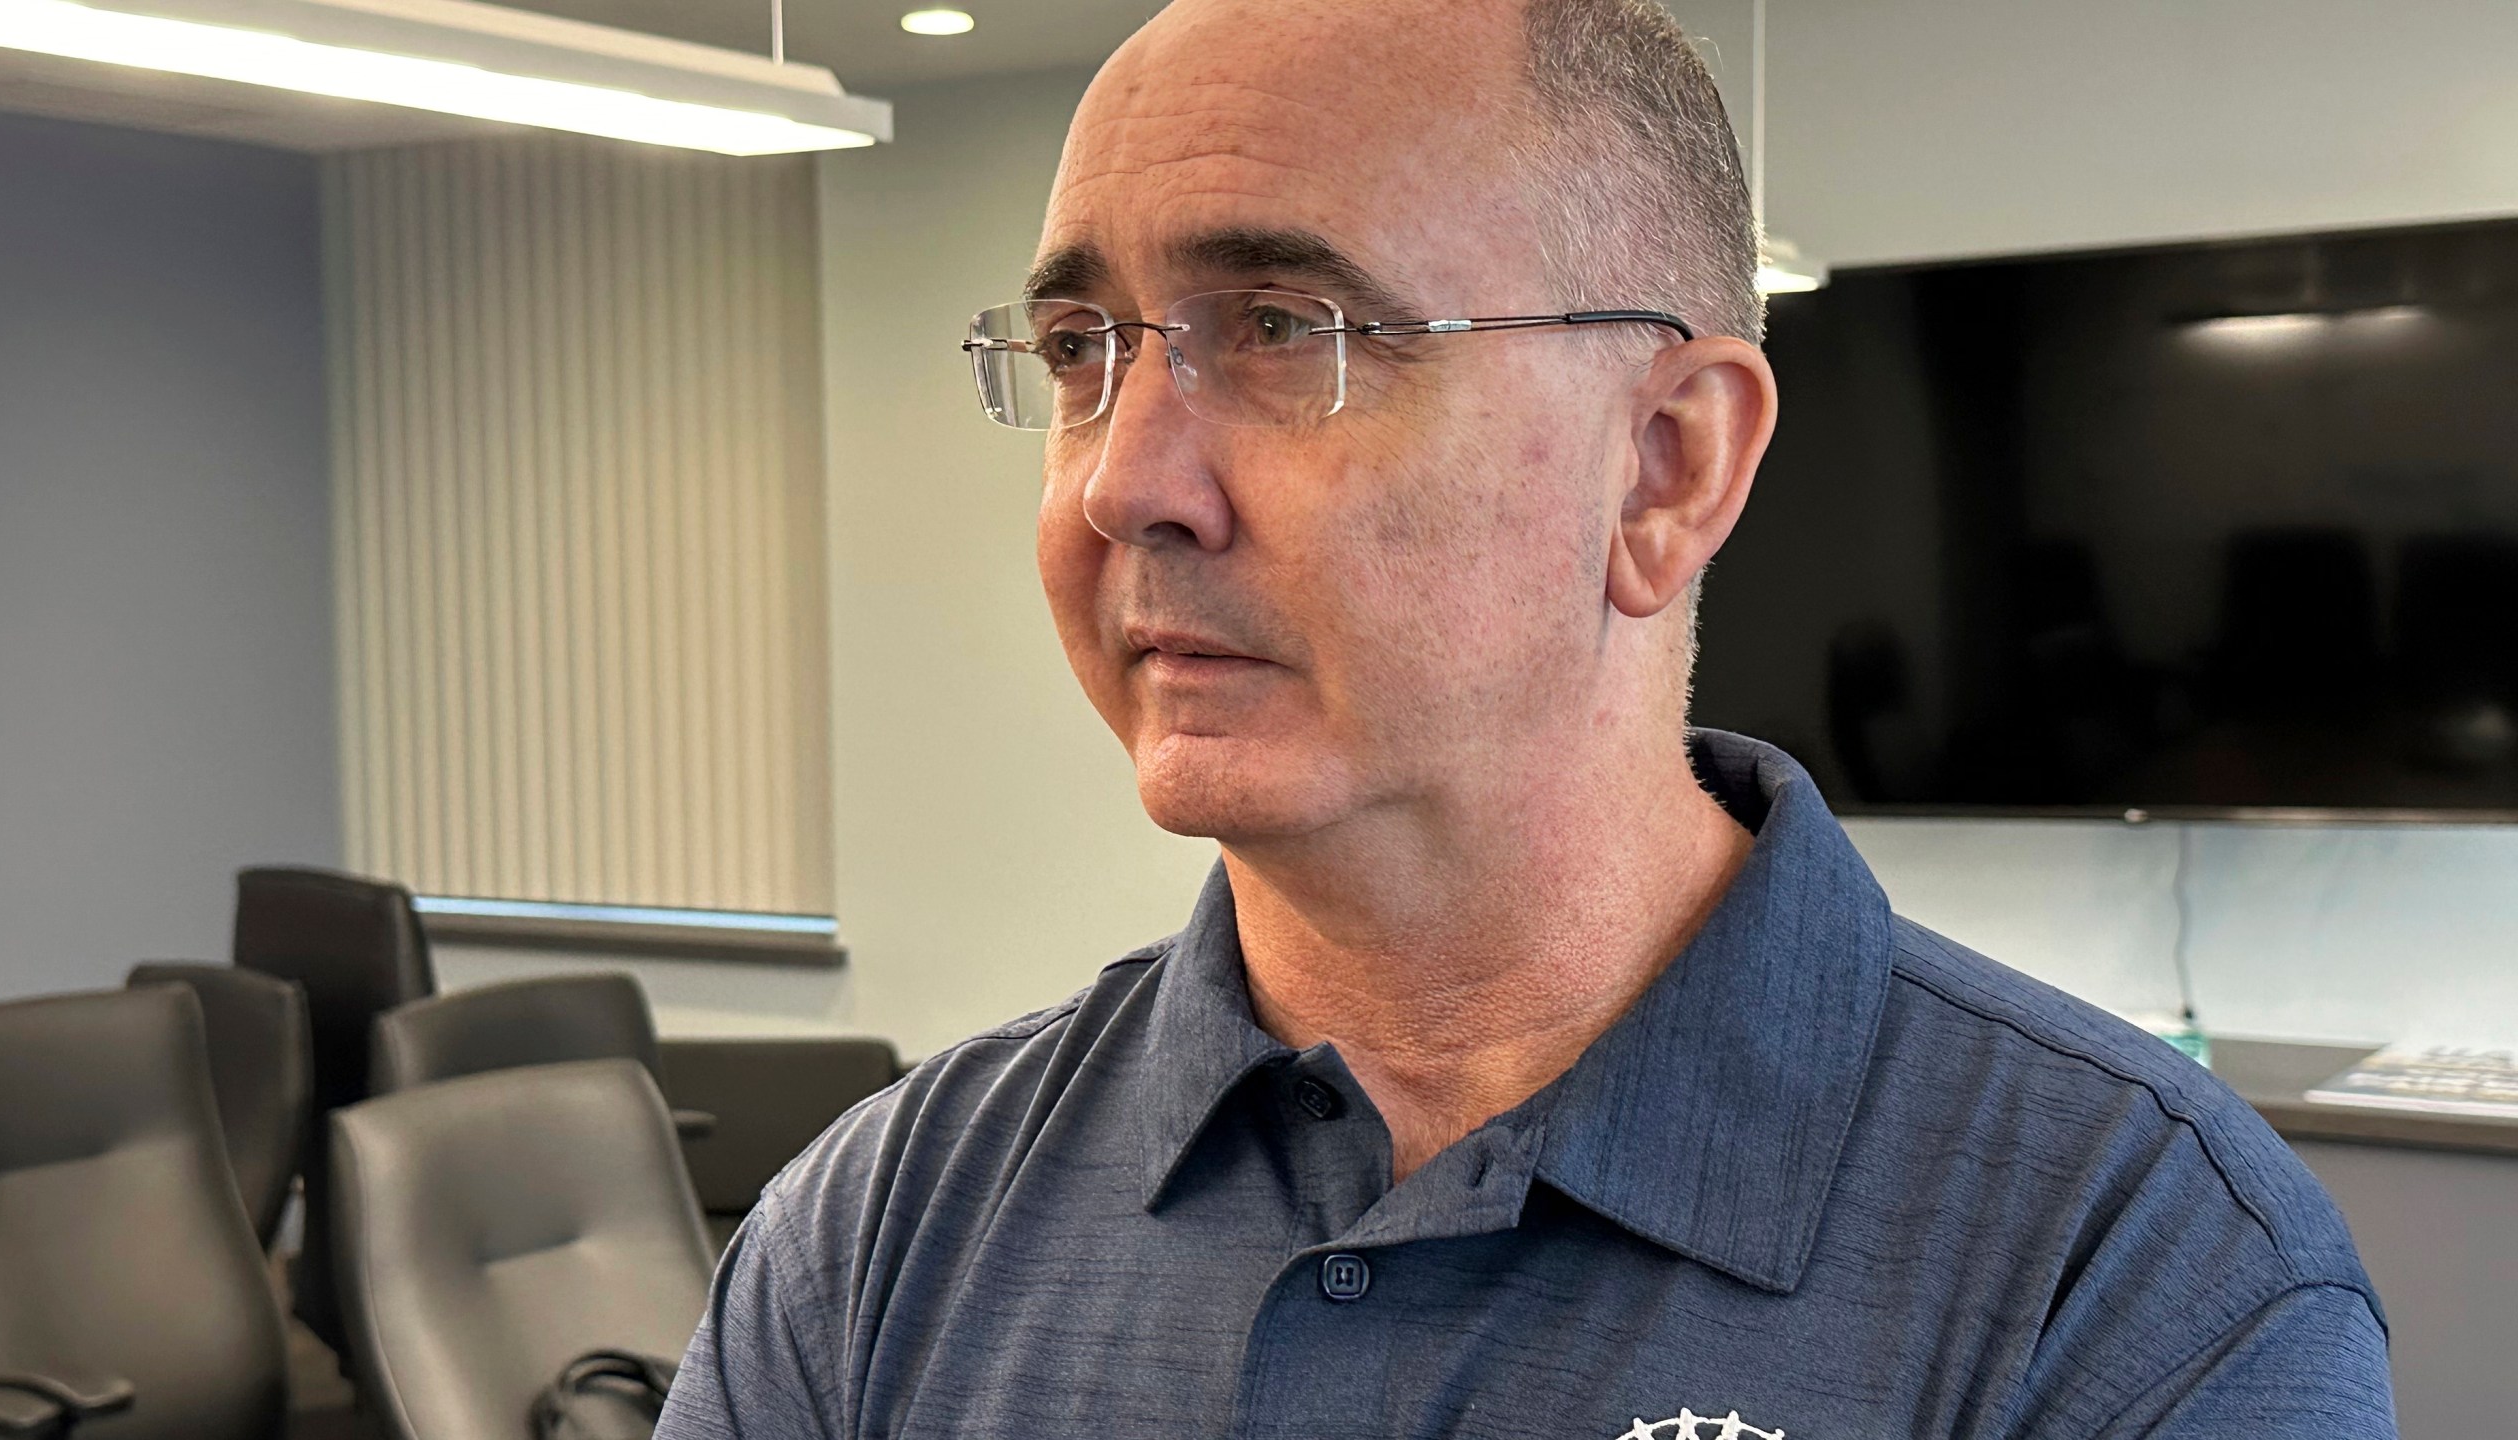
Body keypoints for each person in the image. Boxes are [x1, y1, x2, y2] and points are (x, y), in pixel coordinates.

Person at [656, 0, 2396, 1434]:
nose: (1125, 483)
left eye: (1283, 328)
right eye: (1076, 350)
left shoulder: (2145, 1280)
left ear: (1665, 466)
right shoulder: (877, 1235)